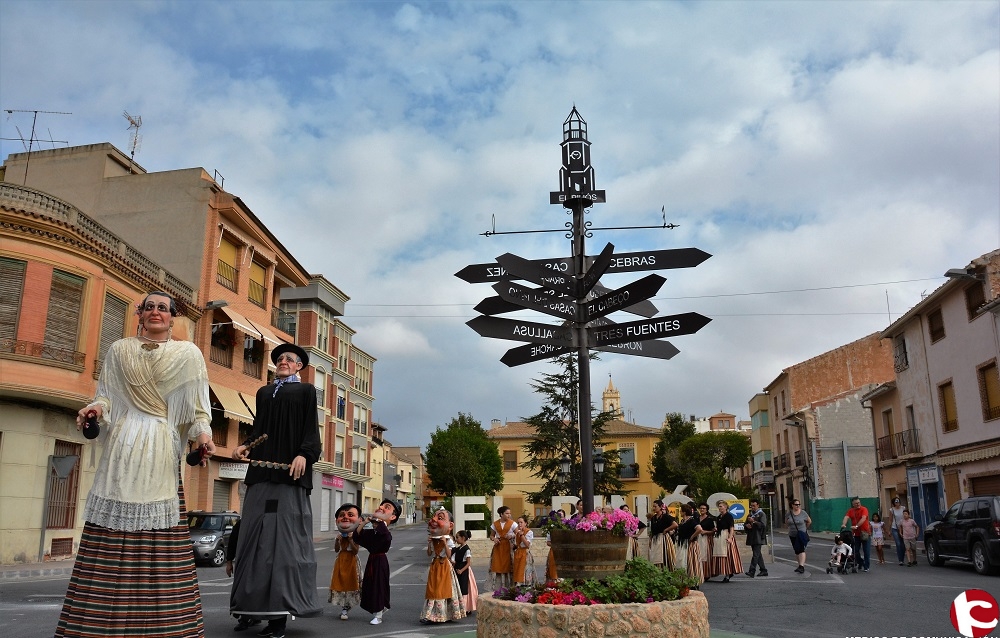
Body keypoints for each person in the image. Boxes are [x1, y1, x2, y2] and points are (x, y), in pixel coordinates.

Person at [56, 291, 214, 638]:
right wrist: (95, 409)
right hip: (122, 448)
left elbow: (198, 410)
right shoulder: (119, 349)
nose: (156, 312)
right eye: (149, 307)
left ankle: (164, 628)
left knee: (161, 546)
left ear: (172, 317)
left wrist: (203, 437)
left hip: (161, 450)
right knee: (108, 541)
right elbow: (106, 396)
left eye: (163, 308)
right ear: (139, 314)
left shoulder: (189, 354)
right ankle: (95, 627)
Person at [230, 343, 323, 638]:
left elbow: (311, 429)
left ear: (299, 366)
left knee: (283, 547)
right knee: (252, 541)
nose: (283, 361)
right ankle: (248, 611)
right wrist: (246, 445)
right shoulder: (263, 393)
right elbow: (260, 428)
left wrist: (304, 455)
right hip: (260, 475)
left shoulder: (306, 391)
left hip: (290, 478)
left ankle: (278, 618)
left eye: (289, 359)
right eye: (280, 358)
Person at [356, 498, 401, 625]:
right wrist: (365, 522)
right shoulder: (374, 529)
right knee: (370, 586)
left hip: (380, 561)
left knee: (379, 586)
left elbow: (386, 537)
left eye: (386, 507)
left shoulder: (384, 531)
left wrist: (378, 522)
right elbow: (358, 536)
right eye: (381, 505)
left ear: (393, 517)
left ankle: (379, 614)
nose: (381, 507)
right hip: (372, 560)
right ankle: (379, 608)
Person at [420, 508, 466, 623]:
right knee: (433, 589)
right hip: (435, 565)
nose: (434, 520)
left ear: (450, 525)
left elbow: (449, 555)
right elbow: (429, 553)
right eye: (434, 517)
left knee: (442, 589)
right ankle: (430, 615)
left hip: (444, 565)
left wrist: (445, 543)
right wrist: (429, 544)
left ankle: (445, 614)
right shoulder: (433, 540)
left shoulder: (448, 540)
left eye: (440, 518)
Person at [329, 503, 363, 621]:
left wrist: (350, 539)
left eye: (350, 515)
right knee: (341, 583)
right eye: (342, 515)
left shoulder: (355, 535)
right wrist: (337, 541)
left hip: (352, 561)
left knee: (352, 583)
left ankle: (347, 607)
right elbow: (336, 550)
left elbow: (355, 551)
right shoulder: (339, 535)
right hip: (341, 560)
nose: (345, 517)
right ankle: (344, 606)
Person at [713, 500, 744, 582]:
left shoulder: (729, 516)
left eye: (721, 506)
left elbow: (731, 527)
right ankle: (725, 572)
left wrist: (730, 537)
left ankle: (729, 573)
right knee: (722, 555)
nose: (719, 508)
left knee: (728, 555)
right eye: (719, 506)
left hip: (726, 536)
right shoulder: (719, 517)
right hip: (720, 536)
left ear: (725, 507)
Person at [674, 503, 704, 586]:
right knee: (683, 561)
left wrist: (692, 537)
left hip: (690, 544)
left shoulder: (692, 520)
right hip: (683, 543)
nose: (680, 512)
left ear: (684, 512)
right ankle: (686, 580)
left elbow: (699, 529)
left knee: (691, 562)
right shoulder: (683, 521)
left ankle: (694, 581)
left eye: (681, 511)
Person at [841, 497, 872, 572]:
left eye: (858, 502)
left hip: (865, 533)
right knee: (855, 550)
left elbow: (863, 518)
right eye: (856, 503)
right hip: (855, 534)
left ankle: (866, 566)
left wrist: (857, 526)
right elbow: (846, 517)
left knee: (866, 551)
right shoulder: (851, 511)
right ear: (853, 504)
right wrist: (844, 524)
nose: (858, 504)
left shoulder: (864, 509)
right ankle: (861, 562)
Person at [488, 506, 516, 589]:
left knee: (509, 566)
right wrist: (494, 539)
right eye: (507, 513)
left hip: (508, 546)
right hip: (499, 547)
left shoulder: (513, 524)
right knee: (498, 566)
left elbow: (517, 533)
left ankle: (510, 586)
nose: (509, 515)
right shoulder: (495, 524)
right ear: (501, 514)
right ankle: (499, 587)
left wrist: (511, 536)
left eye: (509, 513)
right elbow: (491, 536)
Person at [648, 499, 678, 570]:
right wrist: (650, 539)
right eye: (653, 506)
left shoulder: (665, 516)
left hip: (663, 538)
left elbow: (675, 525)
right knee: (655, 556)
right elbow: (652, 530)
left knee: (664, 555)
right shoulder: (653, 518)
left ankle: (666, 569)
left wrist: (666, 529)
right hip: (655, 538)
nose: (654, 508)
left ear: (660, 507)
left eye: (655, 506)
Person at [453, 530, 479, 612]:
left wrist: (461, 570)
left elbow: (468, 563)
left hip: (464, 570)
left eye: (457, 537)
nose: (456, 539)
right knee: (459, 588)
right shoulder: (458, 549)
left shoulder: (466, 549)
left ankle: (466, 607)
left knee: (465, 588)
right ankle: (460, 606)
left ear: (463, 538)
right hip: (457, 569)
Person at [743, 498, 769, 578]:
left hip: (759, 537)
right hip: (752, 536)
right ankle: (763, 570)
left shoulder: (761, 514)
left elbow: (763, 525)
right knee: (758, 554)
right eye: (751, 506)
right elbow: (745, 524)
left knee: (755, 555)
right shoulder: (750, 514)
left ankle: (752, 571)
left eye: (754, 506)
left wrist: (754, 522)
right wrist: (747, 526)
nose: (753, 507)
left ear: (758, 505)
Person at [785, 499, 812, 574]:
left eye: (799, 504)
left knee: (801, 549)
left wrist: (804, 529)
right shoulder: (789, 514)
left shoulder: (803, 513)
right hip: (792, 534)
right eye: (796, 505)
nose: (798, 506)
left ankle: (802, 566)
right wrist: (789, 528)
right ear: (792, 505)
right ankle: (799, 565)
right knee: (796, 550)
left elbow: (809, 521)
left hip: (801, 534)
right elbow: (786, 522)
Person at [512, 516, 537, 586]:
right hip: (518, 553)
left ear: (525, 523)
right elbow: (518, 544)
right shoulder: (517, 533)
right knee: (518, 570)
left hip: (525, 554)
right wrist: (514, 546)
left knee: (525, 571)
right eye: (518, 523)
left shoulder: (529, 532)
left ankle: (526, 585)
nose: (519, 524)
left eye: (521, 522)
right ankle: (518, 585)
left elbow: (527, 544)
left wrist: (522, 535)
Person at [695, 502, 716, 580]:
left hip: (706, 539)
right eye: (701, 508)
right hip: (698, 539)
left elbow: (713, 531)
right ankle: (698, 572)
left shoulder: (709, 520)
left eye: (704, 508)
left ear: (707, 510)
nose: (702, 510)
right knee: (698, 555)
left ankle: (706, 573)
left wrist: (706, 532)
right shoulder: (696, 519)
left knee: (706, 556)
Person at [888, 497, 907, 566]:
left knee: (903, 544)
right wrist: (889, 530)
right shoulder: (892, 510)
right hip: (895, 528)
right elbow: (890, 520)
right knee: (898, 544)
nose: (897, 503)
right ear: (894, 503)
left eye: (898, 501)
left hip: (903, 528)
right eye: (896, 502)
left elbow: (906, 516)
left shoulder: (903, 508)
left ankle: (902, 558)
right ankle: (900, 560)